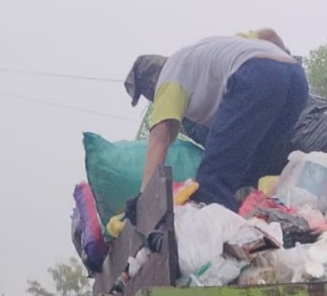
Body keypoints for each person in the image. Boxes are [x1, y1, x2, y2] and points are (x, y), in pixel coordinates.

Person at [124, 29, 309, 214]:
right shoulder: (208, 54)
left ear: (152, 81)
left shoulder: (168, 78)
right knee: (248, 180)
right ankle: (254, 227)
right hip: (296, 80)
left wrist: (144, 197)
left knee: (212, 184)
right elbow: (269, 35)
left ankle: (221, 236)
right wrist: (282, 60)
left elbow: (160, 139)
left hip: (255, 74)